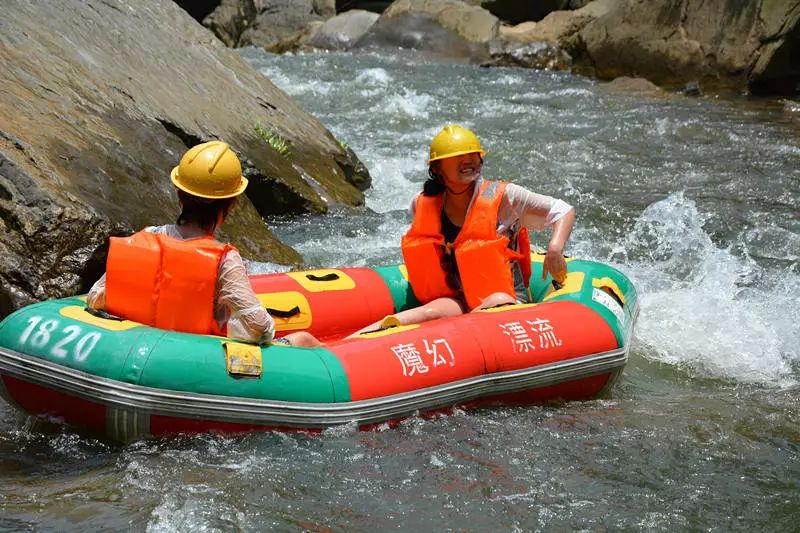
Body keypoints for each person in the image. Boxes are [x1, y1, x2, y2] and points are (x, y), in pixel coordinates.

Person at [87, 140, 321, 347]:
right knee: (304, 340)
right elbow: (259, 328)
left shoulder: (146, 237)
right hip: (197, 358)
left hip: (135, 344)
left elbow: (96, 296)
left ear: (180, 196)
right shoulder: (224, 260)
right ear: (229, 207)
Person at [354, 124, 575, 334]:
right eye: (459, 157)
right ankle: (335, 348)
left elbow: (562, 210)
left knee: (496, 301)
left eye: (474, 155)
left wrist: (555, 248)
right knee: (427, 312)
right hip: (459, 301)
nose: (470, 161)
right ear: (437, 168)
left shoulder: (505, 197)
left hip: (507, 301)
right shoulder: (423, 203)